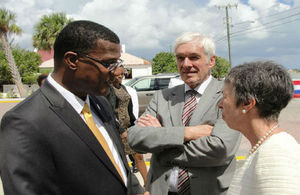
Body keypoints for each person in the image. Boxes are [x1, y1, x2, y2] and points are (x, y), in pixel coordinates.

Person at [0, 20, 144, 195]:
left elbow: (119, 166)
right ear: (72, 60)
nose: (115, 72)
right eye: (108, 64)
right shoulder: (25, 122)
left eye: (117, 63)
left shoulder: (101, 103)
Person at [127, 32, 241, 195]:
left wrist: (160, 145)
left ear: (211, 61)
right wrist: (189, 133)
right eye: (180, 58)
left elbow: (220, 150)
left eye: (194, 57)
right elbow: (134, 138)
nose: (186, 64)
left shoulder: (228, 95)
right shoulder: (163, 97)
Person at [218, 61, 300, 194]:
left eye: (225, 97)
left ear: (247, 103)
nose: (220, 104)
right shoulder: (265, 147)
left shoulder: (276, 154)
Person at [106, 65, 148, 185]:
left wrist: (135, 125)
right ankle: (127, 185)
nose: (120, 77)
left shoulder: (122, 87)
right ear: (111, 74)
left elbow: (129, 109)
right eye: (118, 75)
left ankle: (147, 183)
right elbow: (109, 112)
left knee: (138, 155)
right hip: (117, 129)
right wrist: (120, 130)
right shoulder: (108, 89)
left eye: (122, 75)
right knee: (121, 159)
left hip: (128, 126)